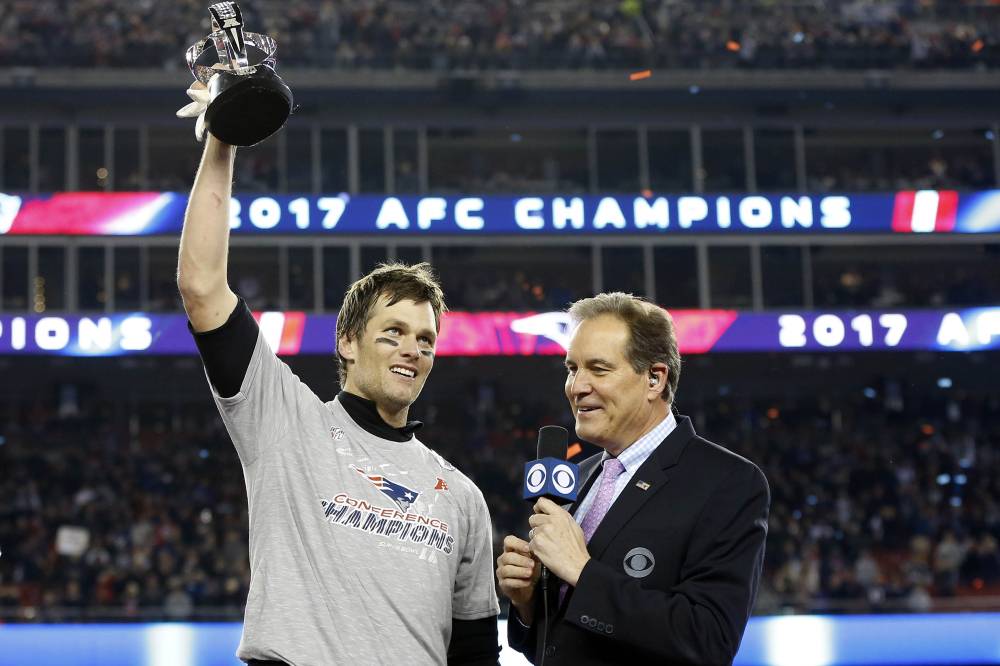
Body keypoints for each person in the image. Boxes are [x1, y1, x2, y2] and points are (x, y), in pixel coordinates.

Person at [175, 93, 499, 664]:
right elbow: (202, 288)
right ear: (347, 342)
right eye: (393, 332)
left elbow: (475, 655)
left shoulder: (463, 498)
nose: (413, 349)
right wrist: (223, 138)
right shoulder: (285, 421)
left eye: (425, 340)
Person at [496, 292, 769, 665]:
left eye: (599, 369)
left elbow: (709, 640)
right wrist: (528, 604)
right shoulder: (577, 477)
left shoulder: (727, 482)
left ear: (654, 379)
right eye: (572, 368)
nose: (576, 387)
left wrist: (583, 572)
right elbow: (557, 646)